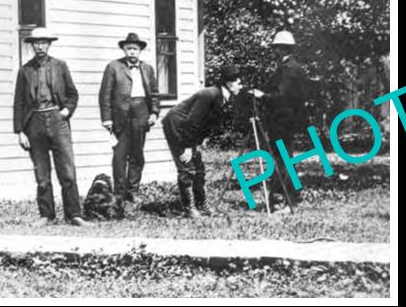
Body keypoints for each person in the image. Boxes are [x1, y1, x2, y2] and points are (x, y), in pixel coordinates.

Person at [13, 27, 85, 226]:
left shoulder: (60, 66)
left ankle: (74, 214)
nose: (40, 46)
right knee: (42, 174)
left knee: (67, 171)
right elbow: (19, 102)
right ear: (32, 45)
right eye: (37, 43)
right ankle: (47, 215)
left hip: (57, 120)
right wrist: (20, 131)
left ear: (49, 44)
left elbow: (73, 94)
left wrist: (65, 112)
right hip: (34, 122)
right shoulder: (25, 70)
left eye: (44, 43)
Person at [161, 64, 244, 217]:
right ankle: (189, 208)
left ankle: (202, 205)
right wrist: (187, 146)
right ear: (228, 83)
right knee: (187, 167)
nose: (241, 85)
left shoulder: (223, 97)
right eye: (238, 82)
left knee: (199, 168)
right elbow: (192, 122)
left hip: (189, 131)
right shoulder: (209, 95)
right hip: (177, 127)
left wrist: (198, 143)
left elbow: (206, 123)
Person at [98, 32, 161, 215]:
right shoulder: (113, 67)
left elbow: (155, 95)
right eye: (128, 48)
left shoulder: (148, 69)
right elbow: (105, 95)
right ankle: (118, 194)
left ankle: (132, 192)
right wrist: (107, 118)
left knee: (137, 155)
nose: (132, 52)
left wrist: (154, 113)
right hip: (121, 115)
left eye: (135, 48)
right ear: (124, 49)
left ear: (140, 50)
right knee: (120, 156)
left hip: (141, 112)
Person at [254, 30, 311, 208]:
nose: (274, 52)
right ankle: (294, 195)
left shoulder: (288, 69)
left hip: (282, 119)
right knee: (286, 156)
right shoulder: (294, 67)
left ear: (281, 49)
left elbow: (281, 94)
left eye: (276, 49)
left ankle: (281, 197)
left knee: (280, 158)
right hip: (289, 119)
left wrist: (262, 96)